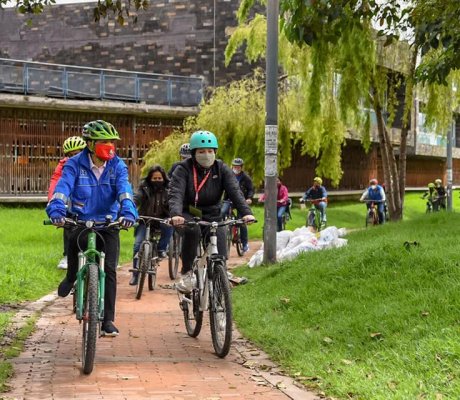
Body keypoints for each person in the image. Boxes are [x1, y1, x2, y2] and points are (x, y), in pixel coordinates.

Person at [46, 120, 138, 336]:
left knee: (110, 269)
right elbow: (63, 188)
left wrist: (127, 212)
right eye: (104, 141)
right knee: (73, 250)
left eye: (112, 142)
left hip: (108, 222)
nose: (110, 146)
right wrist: (57, 209)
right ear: (90, 143)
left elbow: (124, 190)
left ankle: (107, 320)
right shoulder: (74, 164)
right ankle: (70, 278)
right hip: (81, 219)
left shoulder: (118, 165)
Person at [168, 130, 255, 294]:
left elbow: (235, 191)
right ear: (193, 154)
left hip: (212, 212)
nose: (206, 155)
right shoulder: (182, 169)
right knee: (192, 230)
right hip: (187, 212)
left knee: (220, 231)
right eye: (201, 151)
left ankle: (222, 269)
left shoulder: (221, 168)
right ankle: (187, 273)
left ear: (215, 152)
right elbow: (175, 193)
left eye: (210, 151)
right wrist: (176, 214)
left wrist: (246, 212)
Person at [130, 165, 174, 285]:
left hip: (162, 219)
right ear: (150, 178)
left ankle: (161, 249)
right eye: (154, 178)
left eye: (160, 178)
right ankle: (135, 274)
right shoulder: (144, 187)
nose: (157, 181)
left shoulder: (169, 189)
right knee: (137, 245)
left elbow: (173, 202)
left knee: (168, 227)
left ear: (164, 178)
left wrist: (172, 215)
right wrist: (131, 204)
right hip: (145, 220)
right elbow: (137, 197)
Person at [47, 136, 87, 270]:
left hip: (89, 200)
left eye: (78, 153)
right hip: (70, 200)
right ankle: (67, 255)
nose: (74, 157)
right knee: (68, 225)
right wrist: (53, 201)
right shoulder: (64, 166)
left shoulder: (92, 164)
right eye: (71, 155)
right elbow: (55, 182)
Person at [220, 157, 254, 253]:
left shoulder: (246, 178)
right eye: (234, 166)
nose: (236, 168)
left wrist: (249, 198)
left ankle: (244, 243)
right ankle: (222, 230)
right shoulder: (228, 175)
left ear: (241, 167)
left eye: (238, 167)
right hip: (228, 200)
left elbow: (251, 189)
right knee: (222, 212)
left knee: (242, 222)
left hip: (241, 201)